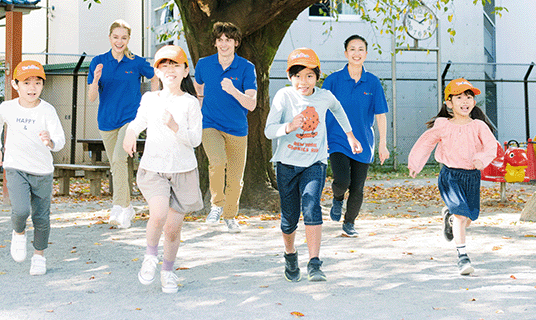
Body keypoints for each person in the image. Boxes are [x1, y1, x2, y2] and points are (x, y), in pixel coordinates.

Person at [265, 48, 362, 282]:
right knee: (289, 218)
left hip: (314, 163)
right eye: (298, 76)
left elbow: (338, 110)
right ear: (290, 77)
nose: (303, 82)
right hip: (286, 165)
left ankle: (314, 263)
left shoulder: (325, 96)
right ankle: (290, 254)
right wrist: (288, 127)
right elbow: (269, 130)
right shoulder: (284, 96)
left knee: (311, 207)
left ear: (317, 76)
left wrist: (349, 135)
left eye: (309, 75)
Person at [123, 45, 203, 294]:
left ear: (185, 71)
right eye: (164, 65)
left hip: (183, 171)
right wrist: (130, 133)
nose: (170, 70)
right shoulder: (150, 99)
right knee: (158, 214)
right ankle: (150, 257)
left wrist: (175, 126)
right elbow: (139, 121)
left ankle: (167, 271)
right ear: (157, 72)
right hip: (154, 168)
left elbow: (196, 140)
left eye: (175, 65)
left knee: (172, 229)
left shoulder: (190, 103)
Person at [408, 78, 499, 276]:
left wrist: (482, 159)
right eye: (459, 97)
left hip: (472, 176)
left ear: (473, 102)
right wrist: (415, 163)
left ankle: (449, 218)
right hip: (450, 176)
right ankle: (462, 257)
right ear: (449, 103)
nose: (465, 101)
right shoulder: (443, 125)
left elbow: (492, 146)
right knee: (461, 216)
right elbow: (426, 142)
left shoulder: (479, 126)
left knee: (468, 218)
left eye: (468, 97)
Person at [0, 60, 66, 276]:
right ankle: (19, 232)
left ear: (42, 85)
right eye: (26, 83)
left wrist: (50, 141)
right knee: (21, 210)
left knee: (41, 217)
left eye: (37, 83)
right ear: (15, 85)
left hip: (42, 171)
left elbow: (60, 140)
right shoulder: (7, 108)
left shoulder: (47, 110)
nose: (32, 88)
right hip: (16, 167)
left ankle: (39, 256)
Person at [88, 20, 155, 229]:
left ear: (128, 39)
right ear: (110, 38)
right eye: (116, 37)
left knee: (118, 158)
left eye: (123, 38)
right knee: (118, 165)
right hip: (107, 121)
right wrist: (95, 80)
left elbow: (155, 76)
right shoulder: (98, 62)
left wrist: (154, 100)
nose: (119, 41)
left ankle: (118, 207)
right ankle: (128, 208)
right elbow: (91, 97)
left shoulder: (136, 62)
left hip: (131, 119)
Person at [323, 35, 390, 237]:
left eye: (361, 49)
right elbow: (320, 110)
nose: (356, 53)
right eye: (352, 49)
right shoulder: (333, 80)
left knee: (358, 187)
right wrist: (321, 137)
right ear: (346, 53)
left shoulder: (373, 82)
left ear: (366, 54)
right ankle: (337, 198)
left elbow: (381, 115)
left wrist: (383, 144)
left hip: (363, 143)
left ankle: (349, 222)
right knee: (342, 181)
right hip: (337, 139)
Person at [194, 22, 257, 233]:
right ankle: (216, 205)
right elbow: (198, 88)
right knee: (217, 162)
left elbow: (252, 104)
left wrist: (233, 91)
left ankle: (230, 216)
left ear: (236, 43)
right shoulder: (203, 64)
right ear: (214, 43)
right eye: (220, 40)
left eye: (228, 40)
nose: (223, 44)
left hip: (237, 128)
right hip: (210, 124)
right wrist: (198, 110)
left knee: (235, 178)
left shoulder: (246, 67)